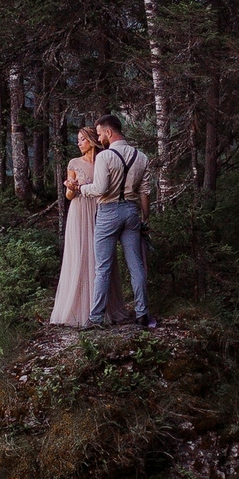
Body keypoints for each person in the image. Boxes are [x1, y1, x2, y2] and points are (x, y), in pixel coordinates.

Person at [76, 113, 153, 329]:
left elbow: (100, 189)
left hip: (108, 211)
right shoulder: (142, 157)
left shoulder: (105, 157)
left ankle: (96, 318)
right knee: (136, 266)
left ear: (109, 132)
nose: (99, 139)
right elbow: (145, 192)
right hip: (131, 212)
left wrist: (80, 189)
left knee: (103, 267)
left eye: (100, 134)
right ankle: (142, 313)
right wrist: (145, 219)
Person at [49, 125, 100, 327]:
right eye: (77, 139)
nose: (79, 143)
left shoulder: (102, 161)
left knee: (98, 255)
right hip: (79, 211)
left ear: (92, 140)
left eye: (82, 139)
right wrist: (71, 187)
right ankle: (77, 308)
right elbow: (70, 196)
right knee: (80, 254)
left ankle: (99, 306)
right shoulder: (74, 163)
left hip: (98, 209)